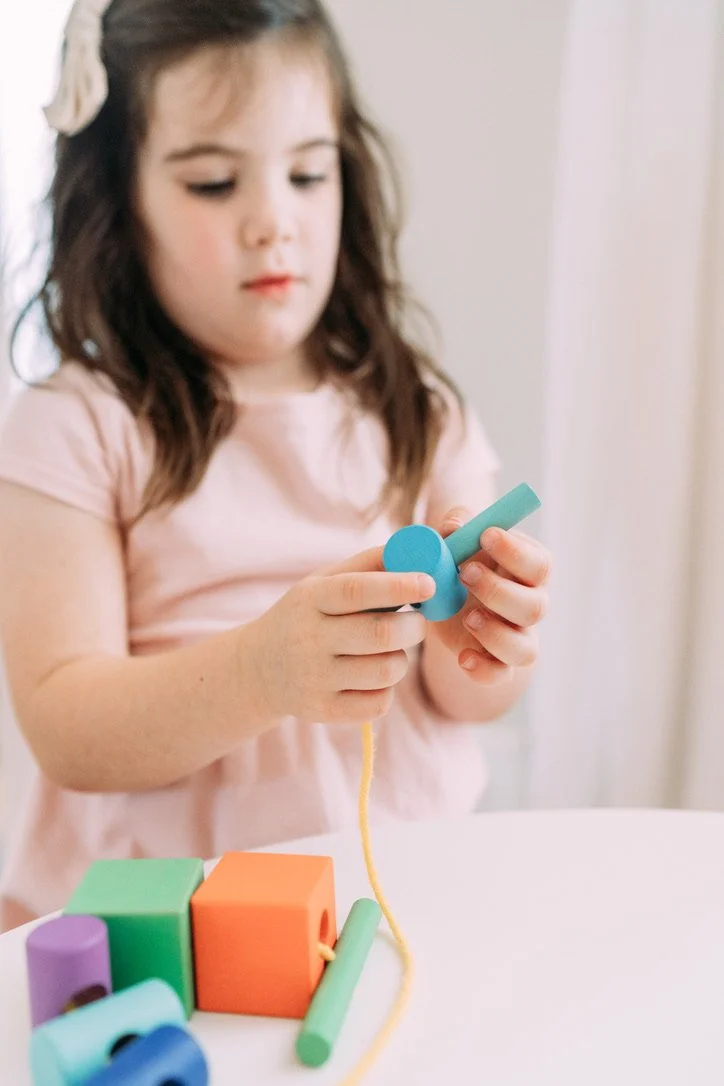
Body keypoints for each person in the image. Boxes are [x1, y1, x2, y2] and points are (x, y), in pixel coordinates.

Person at [0, 0, 551, 932]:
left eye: (306, 172)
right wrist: (264, 672)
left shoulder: (413, 409)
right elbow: (66, 727)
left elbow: (467, 698)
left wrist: (488, 642)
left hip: (395, 897)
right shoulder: (78, 427)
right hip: (166, 924)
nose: (273, 221)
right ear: (119, 201)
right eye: (214, 183)